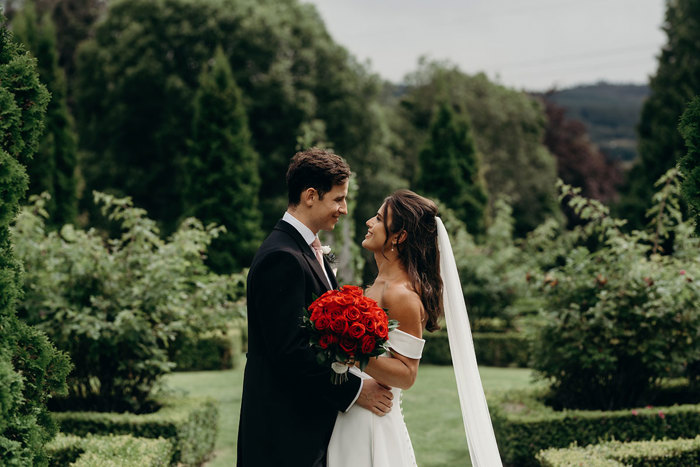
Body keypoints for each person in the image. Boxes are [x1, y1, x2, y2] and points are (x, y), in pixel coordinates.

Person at [237, 148, 394, 467]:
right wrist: (356, 391)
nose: (345, 209)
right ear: (311, 195)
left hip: (304, 430)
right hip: (283, 437)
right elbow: (291, 353)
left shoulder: (306, 251)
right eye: (338, 199)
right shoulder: (281, 258)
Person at [327, 189, 502, 467]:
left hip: (372, 422)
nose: (369, 223)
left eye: (379, 219)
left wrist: (350, 352)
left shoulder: (402, 294)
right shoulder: (377, 285)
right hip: (353, 412)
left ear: (399, 236)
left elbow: (407, 374)